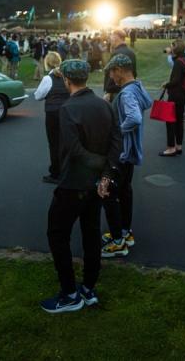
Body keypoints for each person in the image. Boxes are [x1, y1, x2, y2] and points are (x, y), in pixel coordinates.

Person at [41, 59, 121, 314]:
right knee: (91, 233)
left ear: (66, 80)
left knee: (57, 234)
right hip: (97, 184)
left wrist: (100, 168)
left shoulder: (68, 108)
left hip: (74, 183)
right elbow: (116, 145)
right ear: (86, 78)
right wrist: (106, 175)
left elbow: (74, 150)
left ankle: (69, 293)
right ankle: (88, 287)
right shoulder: (104, 105)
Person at [100, 54, 152, 258]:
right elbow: (146, 103)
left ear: (120, 70)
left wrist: (117, 131)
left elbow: (134, 118)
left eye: (111, 71)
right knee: (124, 192)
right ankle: (125, 232)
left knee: (110, 194)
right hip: (130, 150)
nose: (111, 76)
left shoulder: (127, 93)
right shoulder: (137, 87)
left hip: (120, 151)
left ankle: (118, 242)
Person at [33, 51, 67, 184]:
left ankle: (56, 173)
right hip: (67, 112)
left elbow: (38, 96)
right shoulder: (66, 75)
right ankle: (66, 169)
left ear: (47, 62)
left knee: (54, 144)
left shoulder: (48, 78)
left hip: (53, 113)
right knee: (66, 142)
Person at [161, 43, 185, 156]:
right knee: (179, 121)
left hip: (175, 95)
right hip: (183, 94)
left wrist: (166, 84)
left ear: (175, 51)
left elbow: (175, 80)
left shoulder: (178, 62)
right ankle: (178, 145)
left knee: (170, 121)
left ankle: (171, 147)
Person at [103, 30, 136, 101]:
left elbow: (111, 74)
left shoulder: (117, 53)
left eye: (111, 38)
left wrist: (109, 91)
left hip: (116, 92)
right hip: (129, 89)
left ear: (116, 38)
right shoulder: (131, 52)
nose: (110, 41)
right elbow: (134, 72)